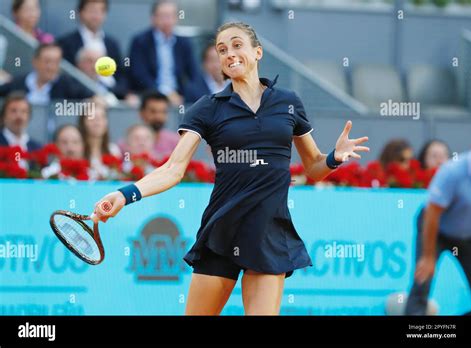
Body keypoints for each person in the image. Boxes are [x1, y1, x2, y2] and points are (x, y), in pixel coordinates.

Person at [91, 22, 369, 315]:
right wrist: (125, 195)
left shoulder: (288, 103)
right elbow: (173, 168)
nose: (229, 54)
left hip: (268, 231)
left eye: (237, 45)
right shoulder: (208, 107)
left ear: (257, 52)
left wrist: (334, 158)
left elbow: (313, 166)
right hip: (223, 229)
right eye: (222, 50)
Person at [405, 150, 471, 315]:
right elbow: (432, 214)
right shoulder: (453, 172)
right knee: (423, 280)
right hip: (435, 230)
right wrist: (428, 256)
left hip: (469, 236)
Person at [128, 0, 199, 106]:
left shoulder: (184, 43)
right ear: (153, 18)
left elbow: (194, 74)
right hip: (149, 95)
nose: (167, 20)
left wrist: (185, 95)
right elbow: (139, 74)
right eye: (163, 16)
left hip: (178, 97)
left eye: (171, 16)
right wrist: (164, 94)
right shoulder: (141, 41)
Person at [0, 43, 94, 104]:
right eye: (47, 61)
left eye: (56, 62)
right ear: (35, 62)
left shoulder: (67, 84)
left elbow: (93, 98)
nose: (51, 67)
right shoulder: (17, 83)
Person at [78, 97, 121, 180]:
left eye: (102, 117)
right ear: (83, 122)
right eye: (92, 117)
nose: (97, 121)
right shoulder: (76, 149)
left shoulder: (113, 150)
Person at [137, 91, 179, 160]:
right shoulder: (130, 142)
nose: (158, 116)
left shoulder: (176, 142)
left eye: (163, 112)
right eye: (153, 111)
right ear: (141, 113)